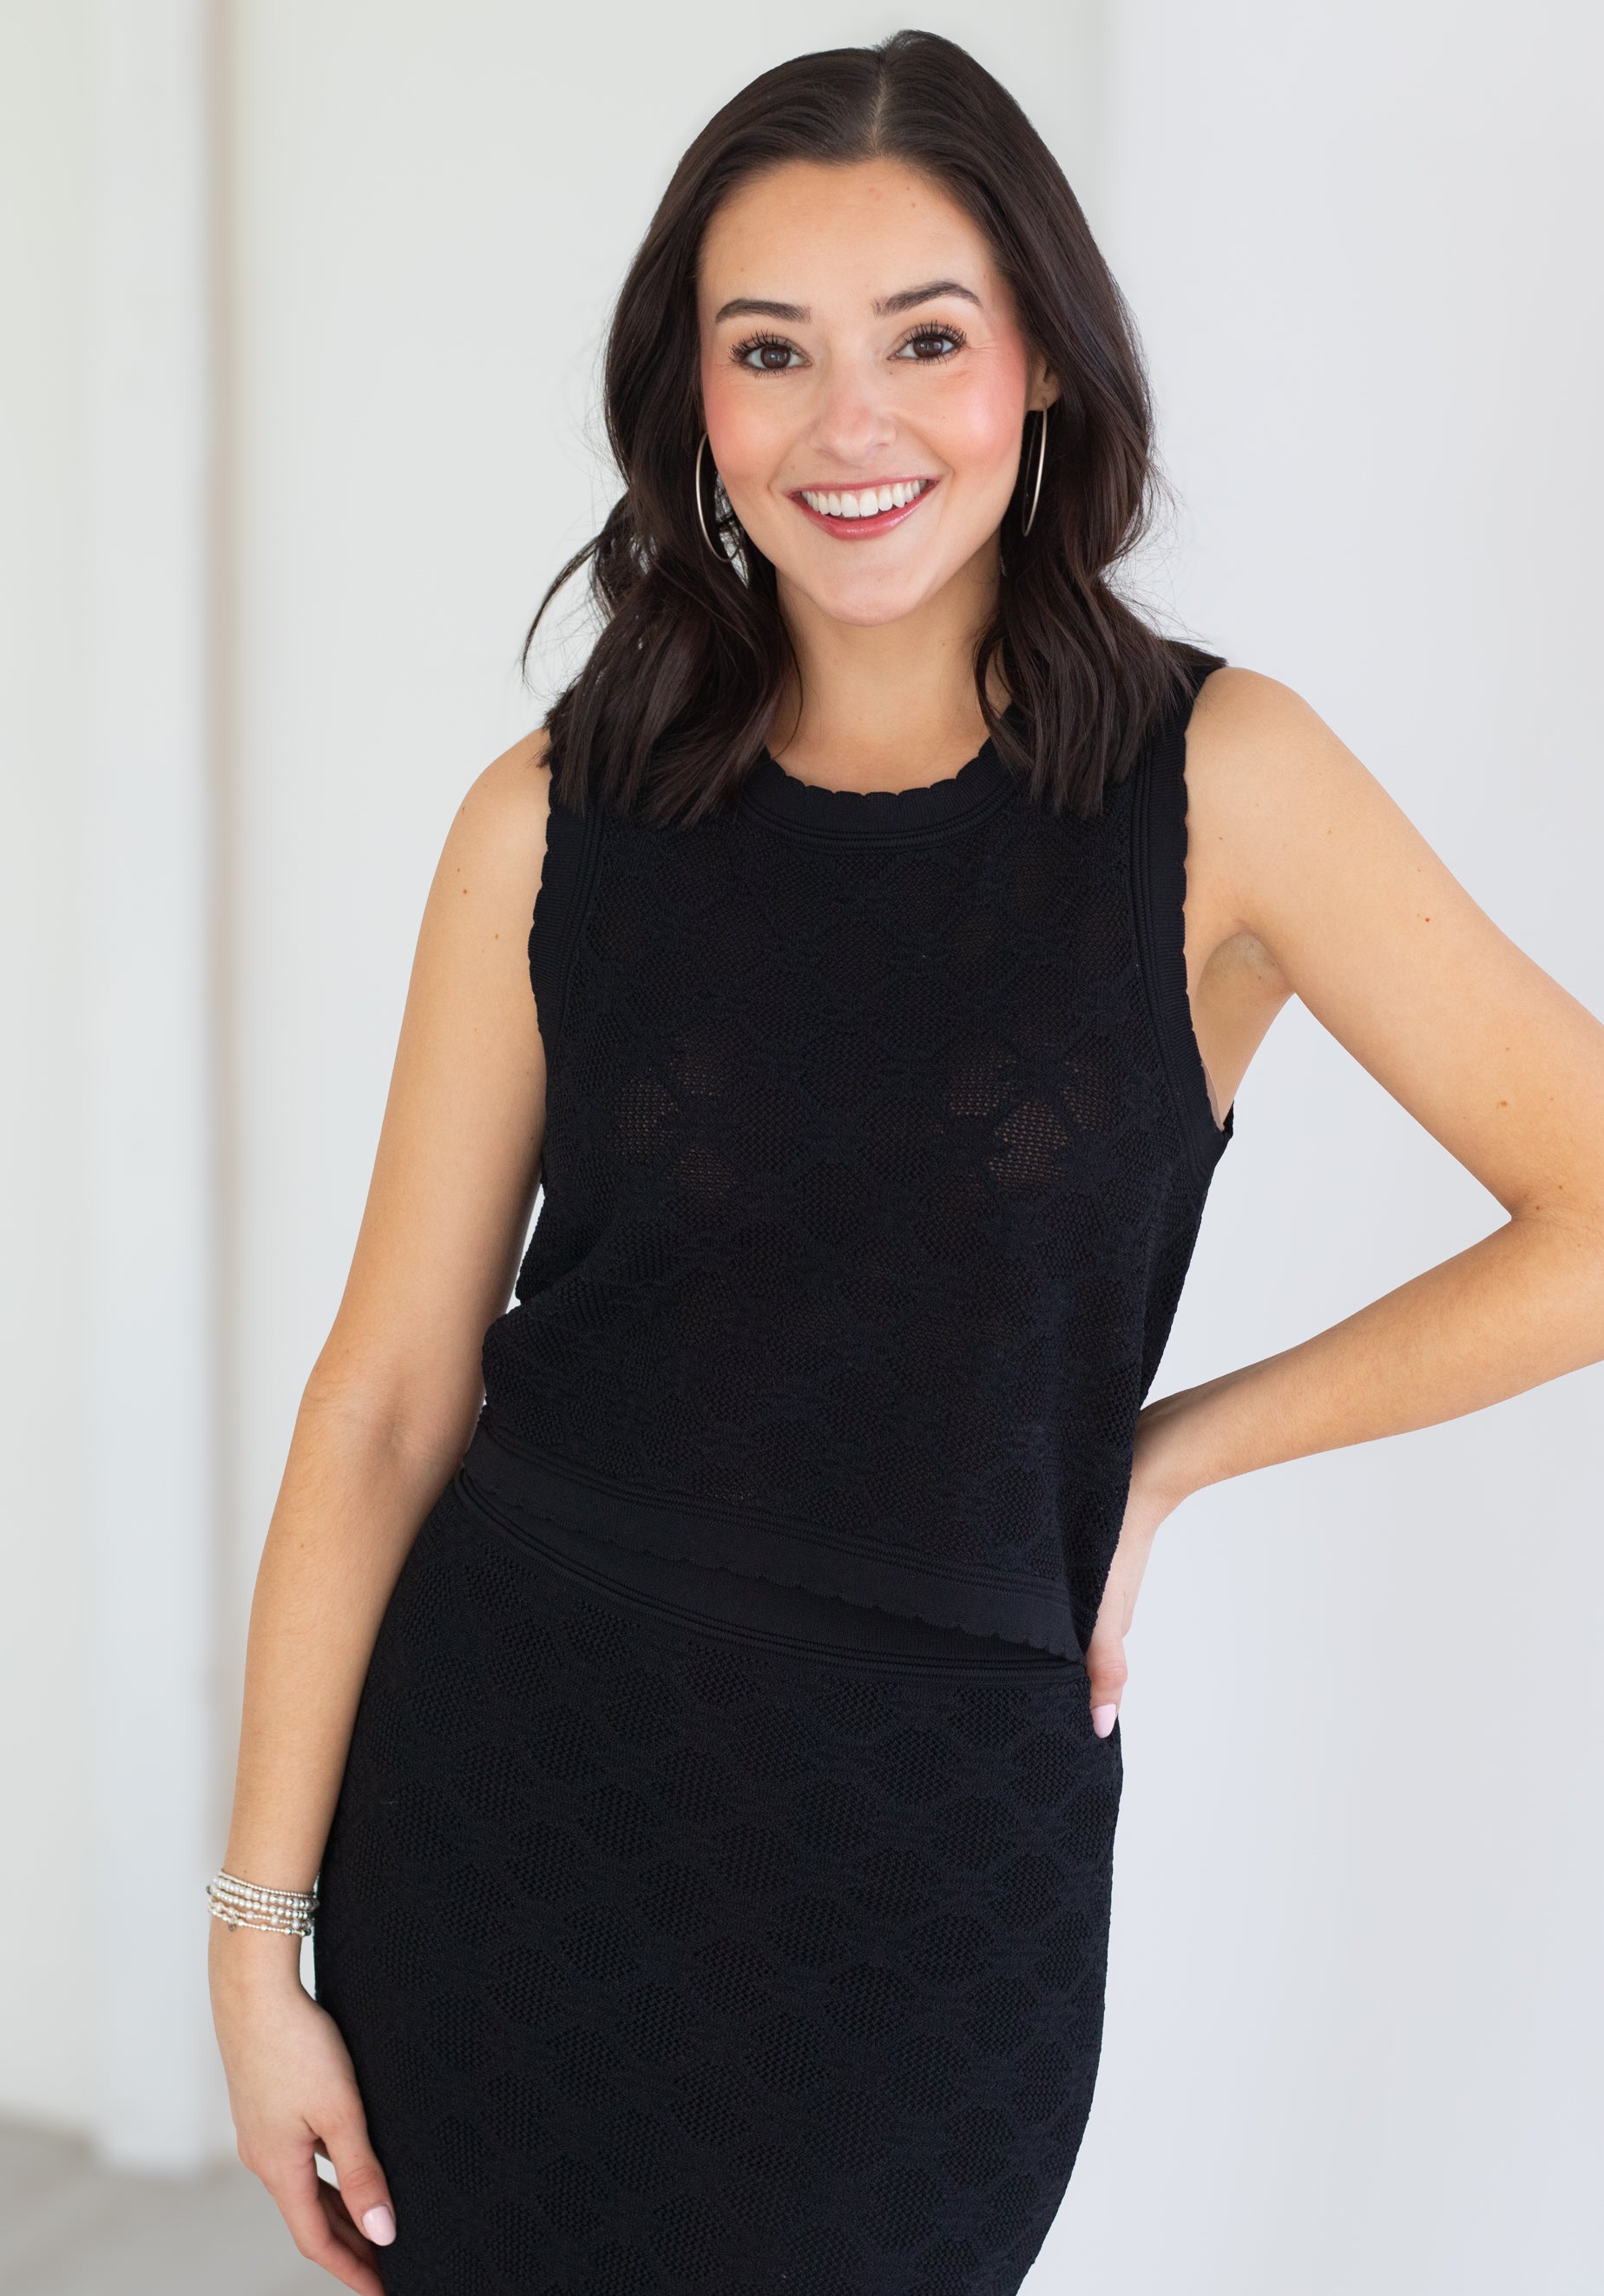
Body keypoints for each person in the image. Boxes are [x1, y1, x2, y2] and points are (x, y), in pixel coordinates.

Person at [207, 30, 1604, 2296]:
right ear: (694, 398)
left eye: (923, 340)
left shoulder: (1216, 784)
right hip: (508, 1796)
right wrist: (258, 1939)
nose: (847, 425)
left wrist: (1164, 1458)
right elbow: (382, 1399)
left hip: (921, 1874)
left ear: (1036, 362)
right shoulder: (550, 820)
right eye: (770, 352)